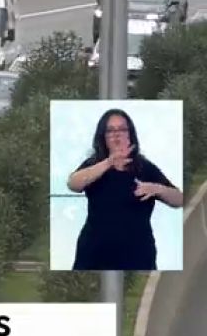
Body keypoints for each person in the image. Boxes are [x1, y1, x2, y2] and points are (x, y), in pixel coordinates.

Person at [66, 108, 183, 271]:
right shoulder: (94, 164)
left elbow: (179, 199)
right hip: (94, 254)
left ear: (130, 134)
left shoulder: (144, 167)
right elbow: (73, 184)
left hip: (137, 255)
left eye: (122, 129)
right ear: (103, 137)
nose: (116, 135)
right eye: (110, 130)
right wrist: (109, 163)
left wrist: (157, 188)